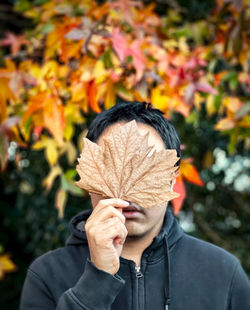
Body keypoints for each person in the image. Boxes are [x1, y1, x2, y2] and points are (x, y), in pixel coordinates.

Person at [20, 101, 250, 310]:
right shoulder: (46, 274)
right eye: (110, 168)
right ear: (89, 176)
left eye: (146, 169)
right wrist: (96, 282)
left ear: (172, 178)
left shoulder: (222, 273)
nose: (127, 196)